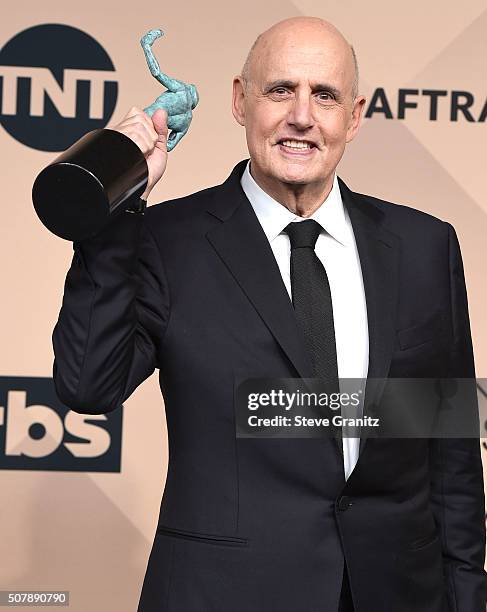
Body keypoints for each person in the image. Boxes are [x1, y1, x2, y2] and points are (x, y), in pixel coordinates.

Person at [51, 16, 486, 612]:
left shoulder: (423, 247)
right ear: (240, 100)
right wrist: (114, 204)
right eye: (281, 90)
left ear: (354, 117)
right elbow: (87, 385)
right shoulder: (164, 239)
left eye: (324, 95)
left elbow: (450, 458)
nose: (301, 116)